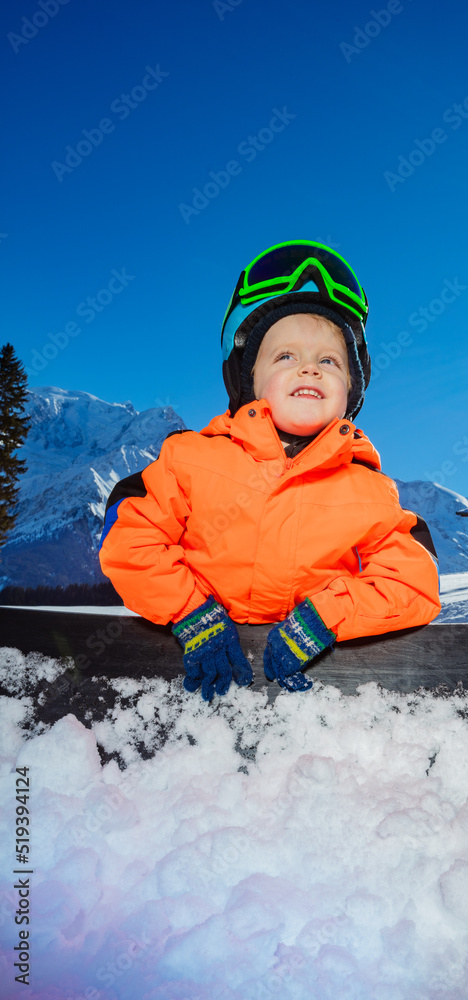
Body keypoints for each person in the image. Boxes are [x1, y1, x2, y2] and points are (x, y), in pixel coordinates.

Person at [99, 240, 440, 698]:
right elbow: (130, 537)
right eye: (285, 356)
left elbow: (414, 583)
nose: (310, 370)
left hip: (308, 708)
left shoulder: (368, 491)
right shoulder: (193, 460)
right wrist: (192, 611)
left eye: (329, 360)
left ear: (351, 387)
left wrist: (327, 616)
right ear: (247, 378)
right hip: (195, 695)